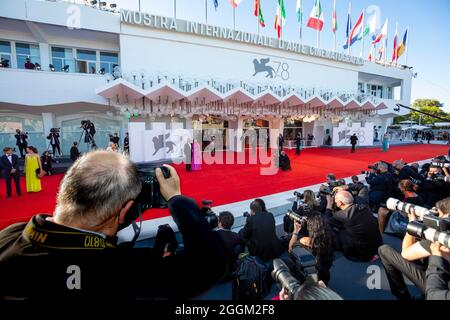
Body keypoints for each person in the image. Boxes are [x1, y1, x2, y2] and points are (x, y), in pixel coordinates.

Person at [0, 151, 228, 300]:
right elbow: (209, 265)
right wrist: (177, 200)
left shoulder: (9, 235)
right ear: (125, 211)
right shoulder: (118, 270)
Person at [378, 197, 450, 300]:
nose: (438, 217)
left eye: (439, 215)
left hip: (439, 288)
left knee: (384, 250)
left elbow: (406, 253)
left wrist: (412, 223)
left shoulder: (442, 240)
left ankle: (402, 294)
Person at [325, 191, 383, 262]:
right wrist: (346, 188)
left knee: (334, 230)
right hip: (378, 246)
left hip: (363, 255)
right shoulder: (364, 206)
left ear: (340, 203)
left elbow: (326, 221)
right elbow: (363, 188)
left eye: (335, 200)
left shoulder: (341, 216)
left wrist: (329, 204)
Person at [288, 212, 335, 284]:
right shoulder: (330, 237)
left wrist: (296, 231)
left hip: (309, 279)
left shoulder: (305, 241)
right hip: (324, 275)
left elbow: (291, 250)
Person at [214, 211, 244, 277]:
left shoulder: (213, 237)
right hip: (231, 270)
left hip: (218, 274)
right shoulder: (236, 236)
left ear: (220, 224)